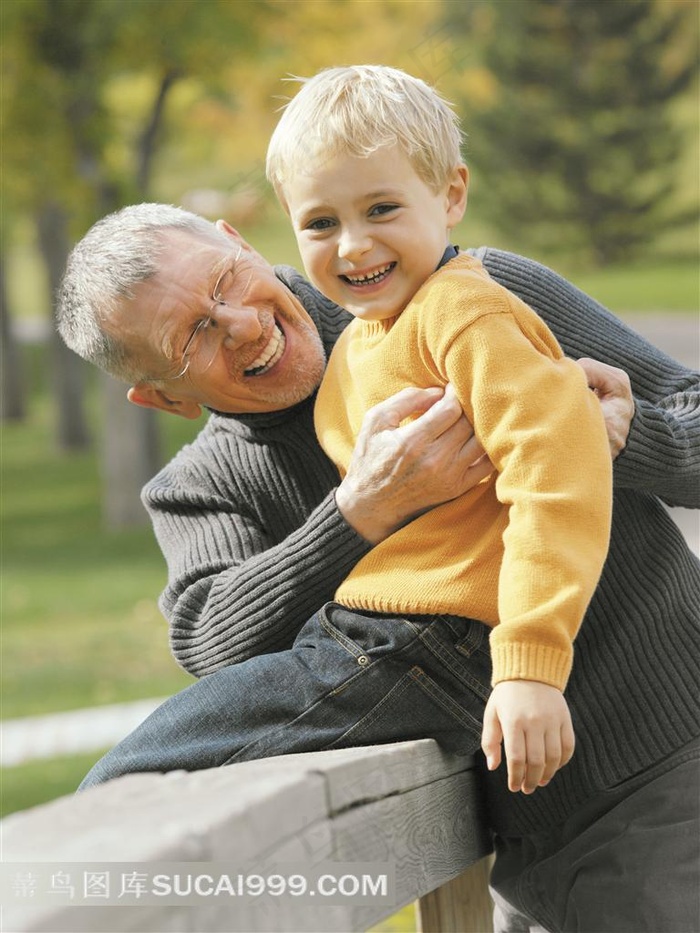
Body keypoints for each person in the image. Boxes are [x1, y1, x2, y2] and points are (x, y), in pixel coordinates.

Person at [57, 202, 699, 932]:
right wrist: (359, 512)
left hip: (669, 770)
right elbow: (213, 645)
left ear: (240, 241)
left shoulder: (469, 295)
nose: (238, 324)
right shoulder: (200, 488)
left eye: (226, 281)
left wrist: (614, 437)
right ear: (164, 398)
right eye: (192, 336)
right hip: (524, 846)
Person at [266, 64, 613, 795]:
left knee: (136, 774)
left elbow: (556, 476)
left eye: (381, 208)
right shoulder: (360, 340)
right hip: (371, 627)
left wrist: (529, 664)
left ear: (451, 195)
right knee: (158, 766)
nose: (352, 245)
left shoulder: (462, 313)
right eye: (321, 223)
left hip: (427, 635)